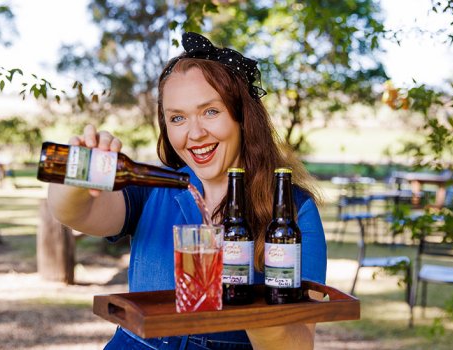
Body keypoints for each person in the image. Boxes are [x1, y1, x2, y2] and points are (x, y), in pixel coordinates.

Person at [47, 32, 327, 350]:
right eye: (177, 118)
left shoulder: (292, 212)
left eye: (210, 111)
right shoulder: (152, 187)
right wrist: (78, 179)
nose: (194, 133)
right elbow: (74, 213)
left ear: (242, 117)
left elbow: (296, 344)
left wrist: (242, 294)